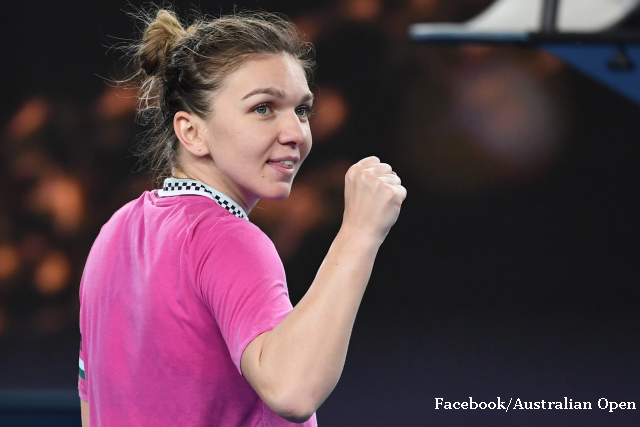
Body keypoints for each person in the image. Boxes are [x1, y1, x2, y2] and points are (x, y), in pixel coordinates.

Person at [78, 7, 406, 427]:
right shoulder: (227, 238)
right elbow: (292, 389)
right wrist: (360, 232)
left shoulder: (116, 229)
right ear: (192, 132)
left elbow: (92, 410)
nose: (296, 133)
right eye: (264, 108)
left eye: (301, 109)